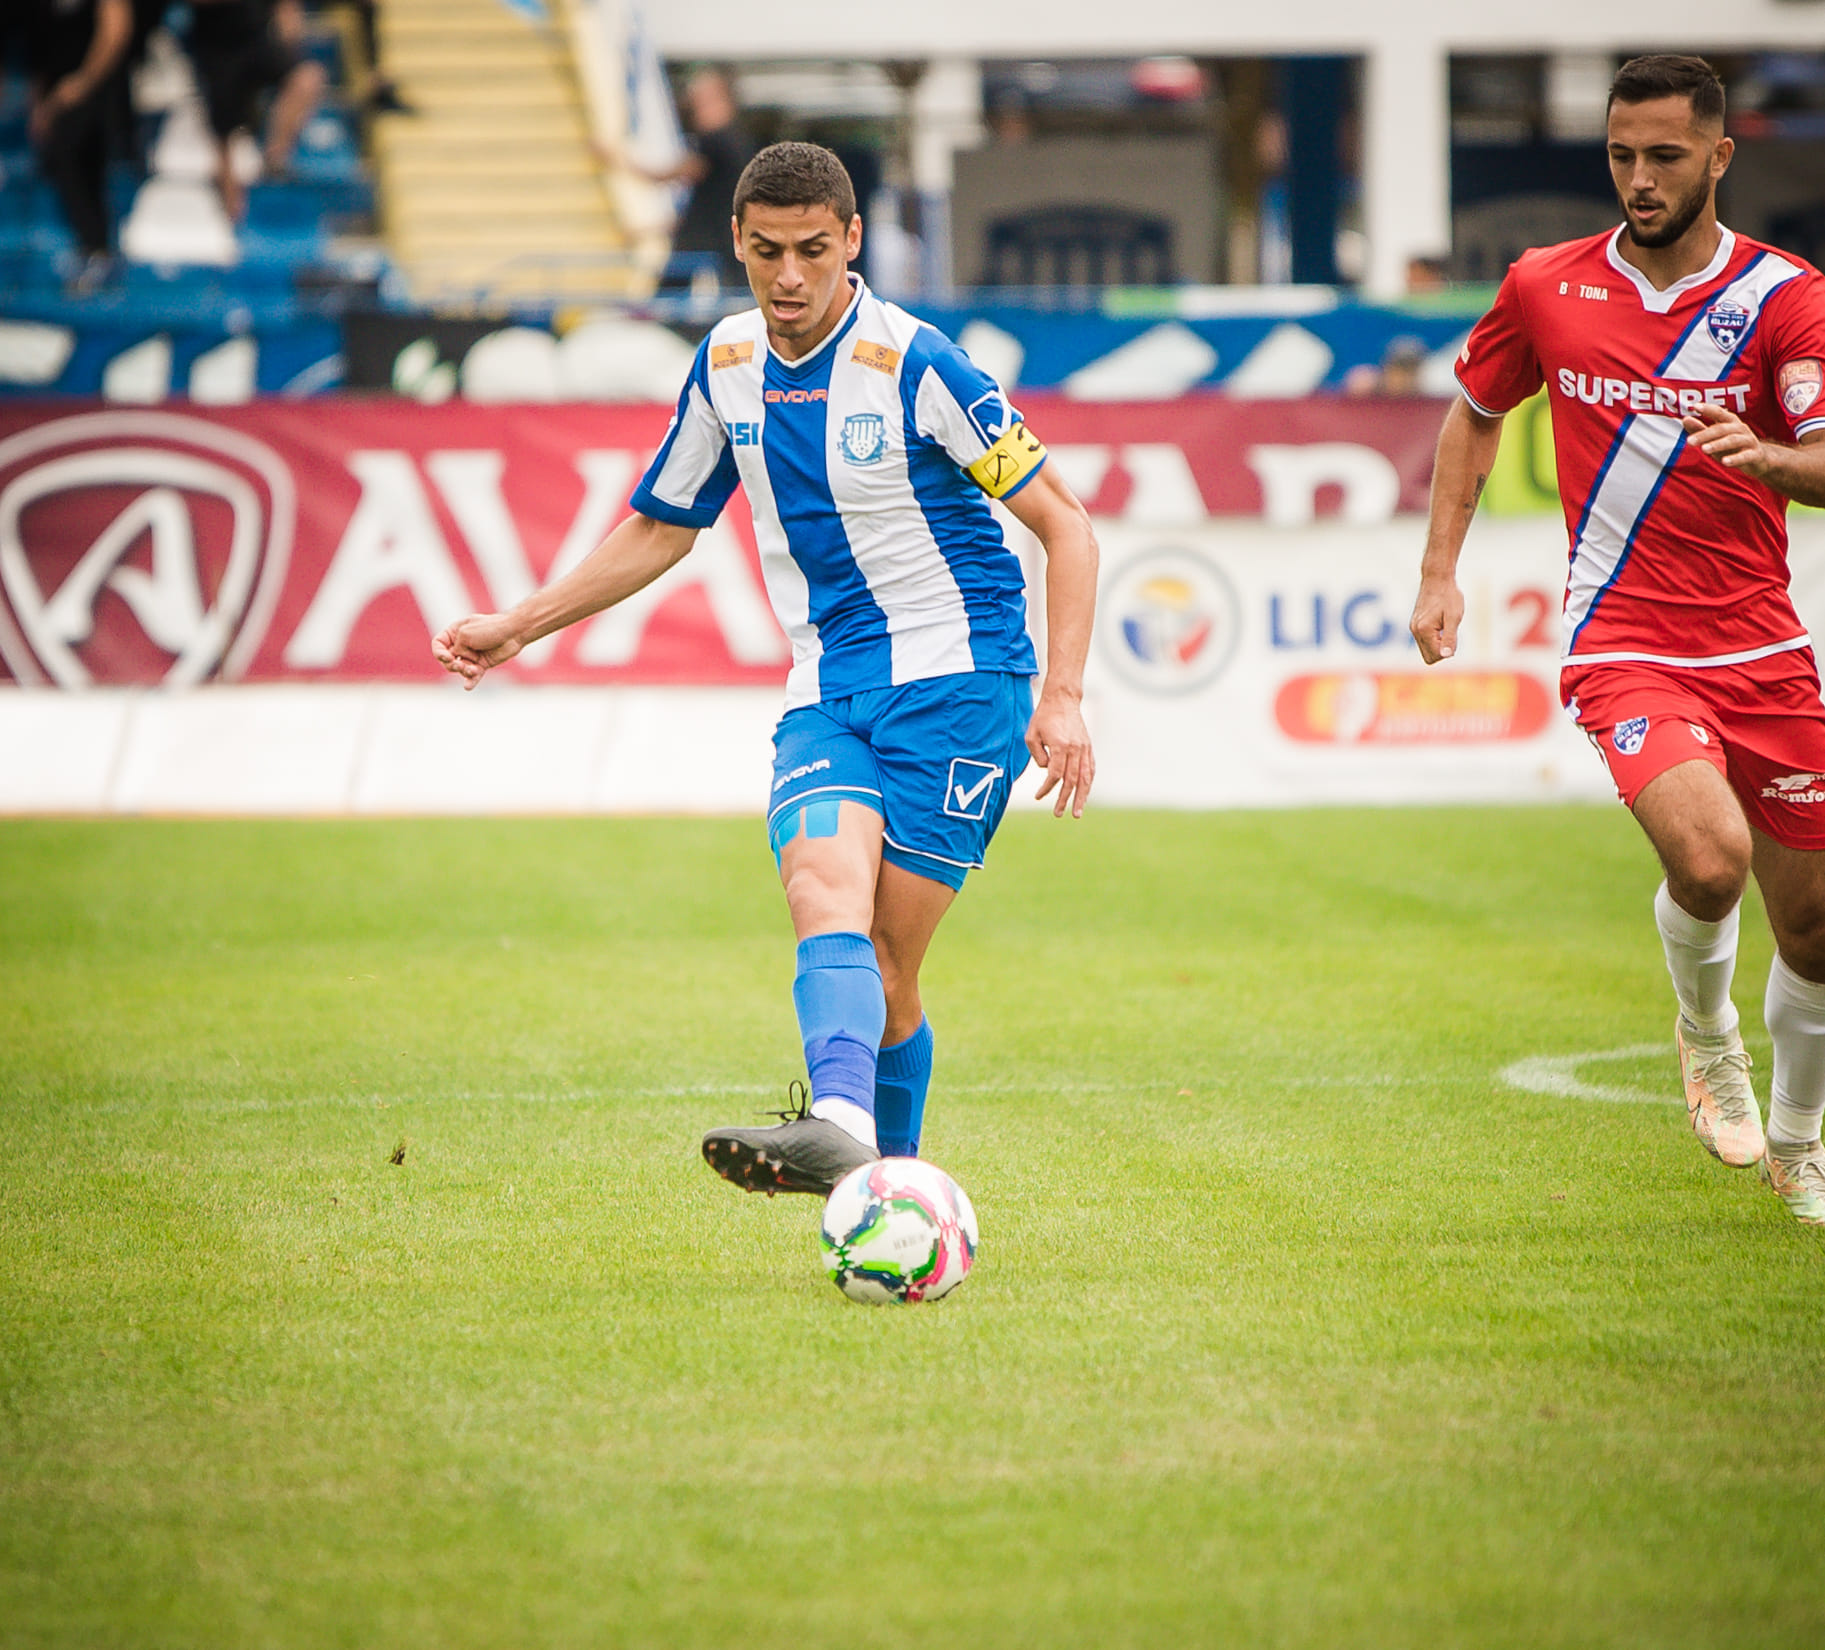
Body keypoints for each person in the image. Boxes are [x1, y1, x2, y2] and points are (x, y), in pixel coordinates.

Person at [432, 142, 1098, 1197]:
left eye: (814, 251)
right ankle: (841, 1127)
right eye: (769, 251)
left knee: (889, 969)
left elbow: (1065, 524)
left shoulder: (919, 364)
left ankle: (889, 1185)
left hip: (959, 685)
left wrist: (1060, 697)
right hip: (826, 689)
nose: (790, 277)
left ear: (853, 242)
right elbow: (664, 523)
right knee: (818, 885)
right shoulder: (726, 363)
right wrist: (524, 622)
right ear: (736, 240)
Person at [1409, 55, 1825, 1225]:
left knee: (1813, 927)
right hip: (1623, 639)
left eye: (1664, 156)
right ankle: (1706, 1033)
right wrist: (1438, 573)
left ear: (1719, 157)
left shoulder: (1784, 296)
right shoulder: (1545, 284)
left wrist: (1768, 458)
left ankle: (1798, 1142)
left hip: (1760, 646)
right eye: (1620, 155)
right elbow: (1474, 413)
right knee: (1709, 859)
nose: (1638, 179)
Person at [22, 0, 131, 294]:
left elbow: (116, 30)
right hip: (58, 96)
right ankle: (88, 248)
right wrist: (40, 103)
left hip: (97, 92)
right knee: (62, 166)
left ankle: (99, 252)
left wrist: (83, 82)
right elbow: (39, 53)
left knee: (85, 163)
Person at [611, 67, 754, 290]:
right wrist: (651, 229)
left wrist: (617, 159)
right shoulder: (735, 144)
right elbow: (703, 209)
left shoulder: (718, 142)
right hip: (726, 246)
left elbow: (662, 177)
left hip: (713, 246)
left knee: (670, 291)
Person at [182, 0, 325, 221]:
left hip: (257, 40)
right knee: (222, 133)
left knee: (307, 78)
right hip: (216, 48)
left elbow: (287, 10)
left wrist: (288, 25)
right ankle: (232, 214)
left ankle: (273, 161)